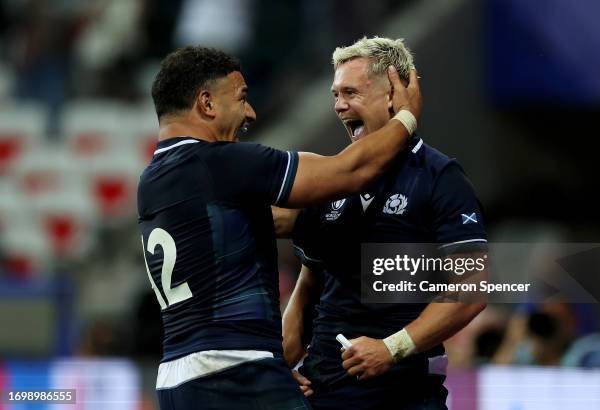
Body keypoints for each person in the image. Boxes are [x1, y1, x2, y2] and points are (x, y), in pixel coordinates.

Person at [137, 45, 421, 410]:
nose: (250, 112)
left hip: (179, 379)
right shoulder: (222, 163)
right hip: (236, 374)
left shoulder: (152, 179)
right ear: (206, 103)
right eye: (241, 99)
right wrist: (407, 117)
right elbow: (348, 172)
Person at [278, 37, 487, 409]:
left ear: (393, 94)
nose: (339, 105)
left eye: (351, 92)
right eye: (335, 93)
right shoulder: (329, 180)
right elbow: (308, 288)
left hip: (403, 396)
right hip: (323, 394)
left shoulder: (439, 177)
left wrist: (392, 348)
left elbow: (472, 286)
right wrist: (277, 369)